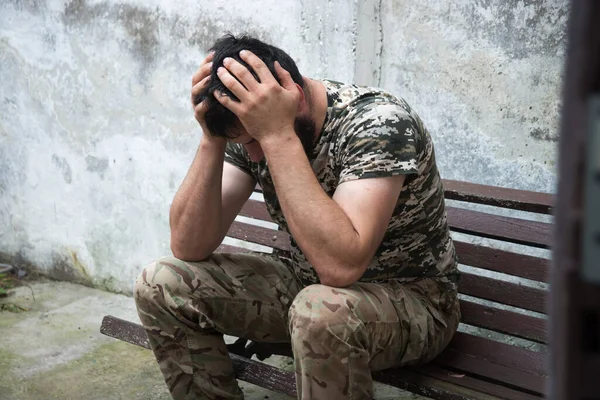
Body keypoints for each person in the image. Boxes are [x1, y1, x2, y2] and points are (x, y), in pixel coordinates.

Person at [134, 34, 461, 400]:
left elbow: (340, 267)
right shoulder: (254, 131)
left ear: (296, 98)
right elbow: (188, 245)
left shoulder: (378, 123)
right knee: (160, 282)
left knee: (321, 311)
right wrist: (212, 137)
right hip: (306, 284)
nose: (254, 157)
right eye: (245, 143)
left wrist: (275, 134)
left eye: (254, 141)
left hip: (414, 301)